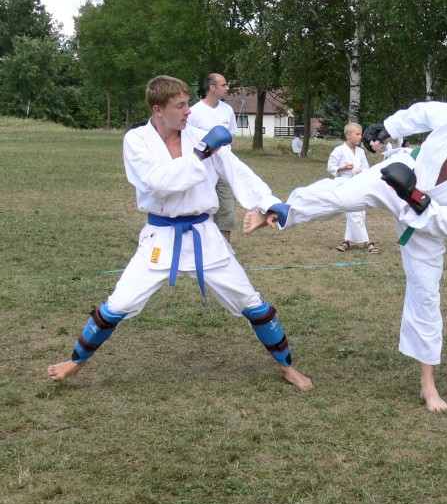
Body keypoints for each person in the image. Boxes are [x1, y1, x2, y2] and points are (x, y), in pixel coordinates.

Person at [244, 101, 447, 412]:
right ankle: (279, 212)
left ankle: (428, 384)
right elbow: (423, 112)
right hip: (401, 174)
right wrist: (390, 128)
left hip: (428, 217)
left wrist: (414, 197)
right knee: (342, 195)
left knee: (426, 293)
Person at [47, 75, 312, 391]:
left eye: (188, 104)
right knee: (118, 304)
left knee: (251, 301)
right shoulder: (137, 140)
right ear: (158, 109)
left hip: (204, 235)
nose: (189, 111)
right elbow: (159, 182)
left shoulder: (200, 137)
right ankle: (76, 361)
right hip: (161, 238)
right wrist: (199, 155)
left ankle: (286, 366)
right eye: (181, 106)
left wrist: (268, 204)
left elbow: (238, 172)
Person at [187, 73, 239, 243]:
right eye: (223, 85)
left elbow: (230, 137)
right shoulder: (194, 112)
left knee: (226, 210)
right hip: (204, 167)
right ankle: (201, 246)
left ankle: (225, 249)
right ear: (212, 87)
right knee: (201, 207)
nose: (227, 88)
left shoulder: (227, 110)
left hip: (224, 167)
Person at [327, 122, 380, 254]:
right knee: (354, 213)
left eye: (361, 134)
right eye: (357, 134)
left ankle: (347, 241)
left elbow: (366, 168)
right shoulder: (339, 150)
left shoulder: (360, 152)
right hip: (344, 184)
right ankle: (367, 242)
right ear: (348, 135)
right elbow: (330, 167)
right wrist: (343, 168)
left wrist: (361, 172)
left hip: (358, 184)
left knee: (359, 212)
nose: (360, 137)